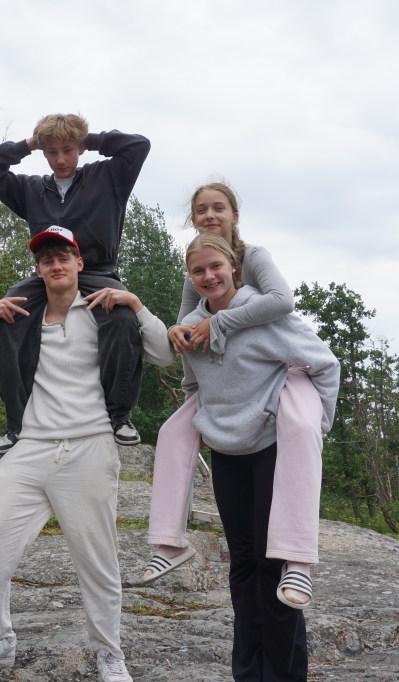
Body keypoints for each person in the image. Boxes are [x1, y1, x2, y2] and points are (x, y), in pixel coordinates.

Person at [0, 226, 174, 682]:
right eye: (47, 259)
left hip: (89, 444)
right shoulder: (19, 318)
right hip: (31, 446)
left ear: (79, 264)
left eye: (63, 257)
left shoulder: (106, 312)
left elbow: (164, 354)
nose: (56, 265)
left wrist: (136, 304)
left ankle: (109, 653)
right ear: (37, 269)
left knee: (97, 558)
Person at [142, 182, 327, 610]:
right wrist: (178, 333)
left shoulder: (253, 257)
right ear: (192, 219)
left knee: (302, 425)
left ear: (234, 215)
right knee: (173, 433)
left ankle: (299, 558)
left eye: (218, 208)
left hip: (277, 378)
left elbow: (281, 302)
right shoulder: (195, 271)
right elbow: (190, 326)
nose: (210, 215)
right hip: (226, 396)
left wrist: (222, 323)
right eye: (201, 210)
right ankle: (169, 540)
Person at [177, 233, 339, 681]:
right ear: (190, 277)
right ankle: (248, 672)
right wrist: (205, 422)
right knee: (243, 562)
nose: (209, 276)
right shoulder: (190, 327)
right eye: (198, 270)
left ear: (233, 266)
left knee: (274, 563)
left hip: (271, 451)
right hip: (227, 455)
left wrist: (313, 427)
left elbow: (325, 364)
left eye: (216, 266)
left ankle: (284, 674)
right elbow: (192, 385)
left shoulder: (265, 317)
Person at [0, 114, 150, 452]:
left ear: (80, 149)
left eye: (68, 150)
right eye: (51, 151)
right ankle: (15, 424)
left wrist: (90, 139)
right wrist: (28, 144)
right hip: (49, 270)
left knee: (123, 319)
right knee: (8, 313)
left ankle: (120, 416)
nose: (61, 159)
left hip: (96, 271)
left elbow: (138, 146)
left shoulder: (108, 176)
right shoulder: (30, 189)